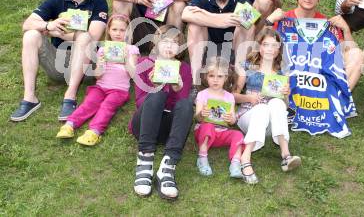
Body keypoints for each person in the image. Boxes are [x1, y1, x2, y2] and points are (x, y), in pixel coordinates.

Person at [10, 0, 108, 122]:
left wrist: (57, 33)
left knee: (84, 36)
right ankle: (29, 98)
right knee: (31, 35)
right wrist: (48, 25)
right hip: (58, 64)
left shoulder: (99, 3)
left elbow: (93, 37)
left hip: (87, 68)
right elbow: (27, 24)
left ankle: (70, 96)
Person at [267, 0, 364, 91]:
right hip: (288, 73)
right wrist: (269, 20)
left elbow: (349, 52)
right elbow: (261, 45)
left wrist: (346, 29)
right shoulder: (282, 18)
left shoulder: (328, 24)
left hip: (319, 74)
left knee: (359, 55)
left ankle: (338, 100)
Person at [129, 25, 192, 200]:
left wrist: (177, 87)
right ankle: (145, 161)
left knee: (187, 104)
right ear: (156, 43)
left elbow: (181, 112)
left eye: (174, 42)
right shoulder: (144, 64)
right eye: (165, 41)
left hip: (168, 129)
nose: (169, 46)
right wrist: (155, 87)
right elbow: (140, 102)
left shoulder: (184, 68)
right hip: (143, 125)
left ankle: (168, 166)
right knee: (156, 97)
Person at [56, 14, 138, 145]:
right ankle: (70, 124)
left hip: (118, 90)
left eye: (122, 30)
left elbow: (133, 74)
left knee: (107, 107)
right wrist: (100, 63)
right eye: (114, 29)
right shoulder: (103, 49)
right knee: (89, 103)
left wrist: (126, 60)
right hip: (100, 87)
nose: (118, 33)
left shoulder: (131, 49)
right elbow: (97, 76)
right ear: (109, 31)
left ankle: (95, 131)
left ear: (128, 32)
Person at [233, 28, 301, 184]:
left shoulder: (282, 72)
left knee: (276, 103)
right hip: (249, 116)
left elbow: (285, 106)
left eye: (274, 45)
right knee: (262, 108)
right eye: (266, 45)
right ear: (259, 47)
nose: (270, 49)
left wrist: (285, 94)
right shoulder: (247, 66)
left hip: (271, 124)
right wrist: (249, 98)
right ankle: (246, 157)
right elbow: (233, 96)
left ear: (279, 49)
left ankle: (286, 155)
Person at [182, 0, 251, 84]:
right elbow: (185, 14)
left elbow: (250, 20)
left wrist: (205, 16)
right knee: (194, 25)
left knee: (247, 25)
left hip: (232, 50)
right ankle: (195, 81)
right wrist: (219, 20)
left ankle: (238, 77)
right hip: (206, 49)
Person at [194, 57, 243, 178]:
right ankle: (202, 158)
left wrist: (231, 119)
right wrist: (201, 114)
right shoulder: (202, 94)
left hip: (221, 133)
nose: (215, 80)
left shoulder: (229, 97)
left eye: (220, 76)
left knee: (238, 135)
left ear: (226, 78)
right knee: (208, 126)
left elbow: (232, 120)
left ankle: (235, 164)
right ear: (206, 77)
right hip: (204, 131)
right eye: (212, 76)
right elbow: (197, 118)